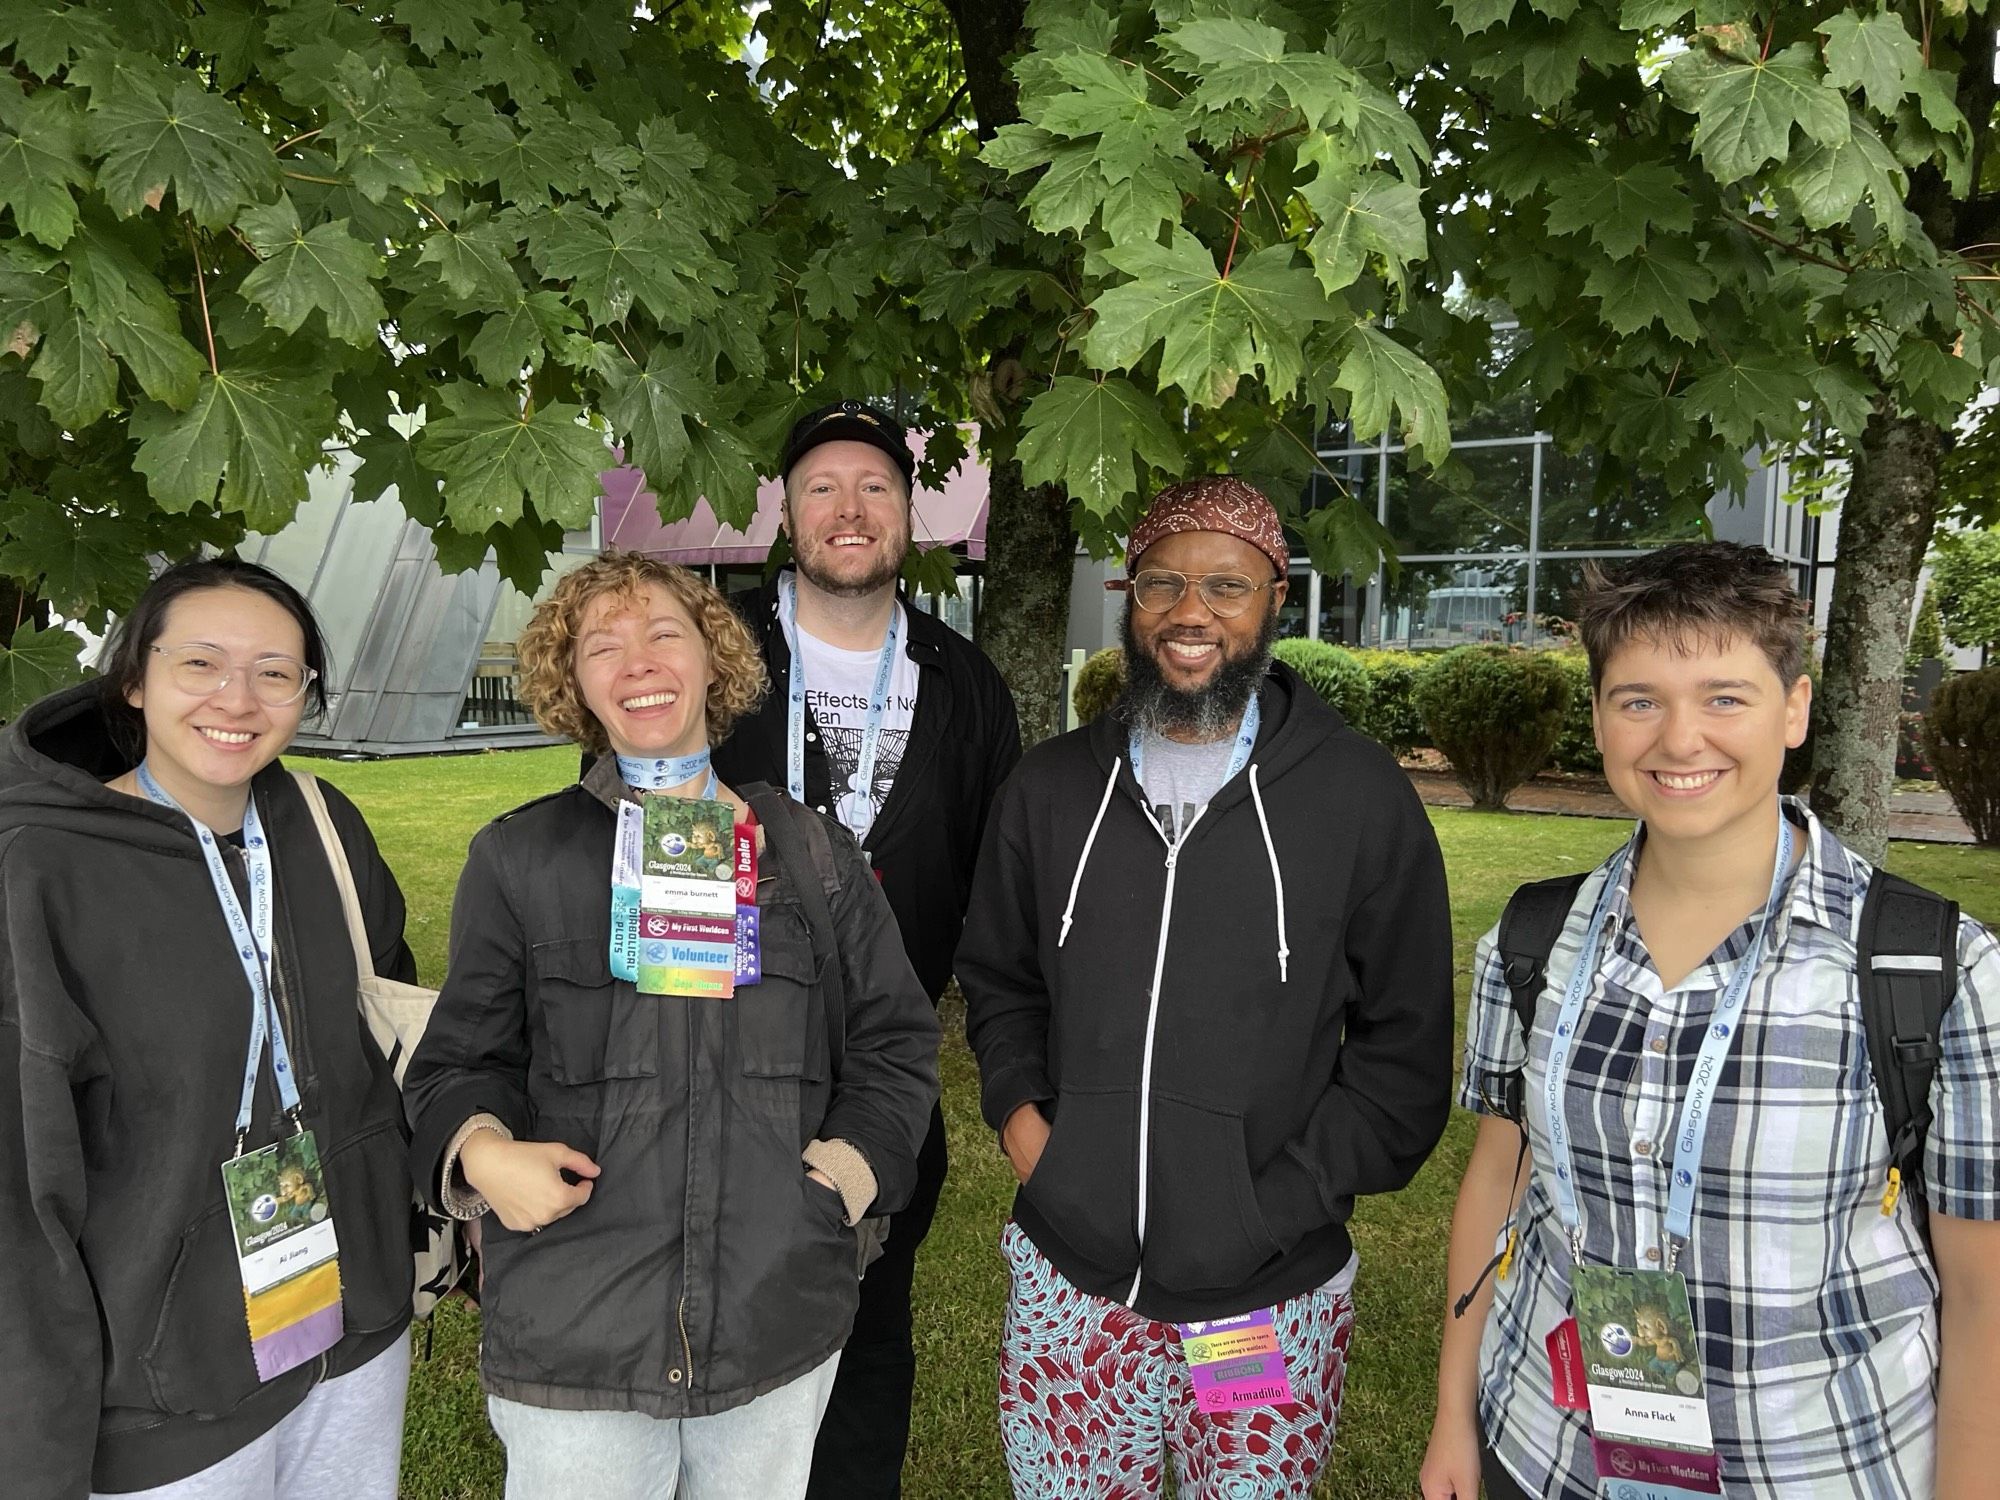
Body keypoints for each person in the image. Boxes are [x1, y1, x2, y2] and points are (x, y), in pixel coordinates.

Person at [1419, 542, 2000, 1500]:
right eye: (1639, 698)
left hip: (1811, 1470)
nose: (1679, 739)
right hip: (1547, 1452)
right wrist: (1455, 1412)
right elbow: (1498, 1179)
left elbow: (1983, 1295)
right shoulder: (1530, 940)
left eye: (1725, 696)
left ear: (1797, 709)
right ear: (1601, 718)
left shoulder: (1935, 970)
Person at [403, 552, 939, 1500]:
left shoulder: (810, 855)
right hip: (578, 1334)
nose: (637, 661)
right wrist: (483, 1155)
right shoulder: (519, 858)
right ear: (573, 685)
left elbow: (896, 1044)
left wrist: (841, 1185)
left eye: (663, 633)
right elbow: (458, 1062)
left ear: (713, 657)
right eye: (601, 646)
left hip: (774, 1316)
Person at [958, 476, 1454, 1498]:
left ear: (1274, 597)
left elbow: (1402, 1054)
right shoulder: (1048, 790)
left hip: (1260, 1304)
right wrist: (1023, 1125)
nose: (1191, 613)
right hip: (1072, 1288)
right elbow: (999, 978)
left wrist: (1276, 1204)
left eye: (1224, 585)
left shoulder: (1358, 797)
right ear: (1129, 600)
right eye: (1161, 584)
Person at [0, 558, 419, 1500]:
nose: (238, 697)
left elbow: (386, 1043)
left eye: (277, 672)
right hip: (166, 1402)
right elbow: (21, 1196)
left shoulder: (322, 825)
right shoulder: (38, 873)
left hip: (351, 1340)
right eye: (200, 662)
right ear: (135, 679)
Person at [711, 399, 1021, 1498]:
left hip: (886, 1068)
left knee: (867, 1320)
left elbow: (999, 890)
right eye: (821, 488)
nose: (849, 509)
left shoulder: (963, 680)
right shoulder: (708, 653)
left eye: (875, 486)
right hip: (714, 1047)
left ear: (909, 512)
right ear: (785, 513)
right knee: (709, 1319)